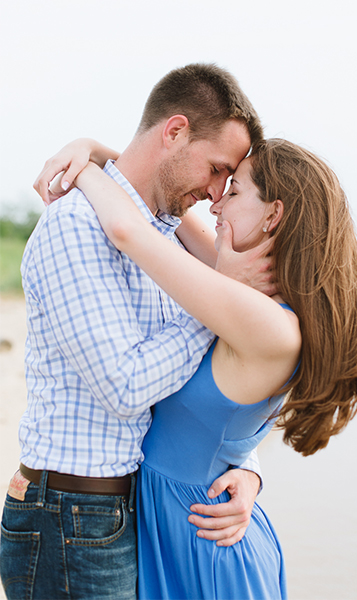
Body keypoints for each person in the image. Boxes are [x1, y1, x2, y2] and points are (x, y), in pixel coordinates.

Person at [0, 63, 270, 599]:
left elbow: (200, 387)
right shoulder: (75, 226)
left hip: (126, 511)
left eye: (229, 182)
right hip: (69, 517)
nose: (217, 195)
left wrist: (247, 467)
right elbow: (126, 387)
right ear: (174, 132)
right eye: (217, 169)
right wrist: (220, 299)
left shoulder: (168, 238)